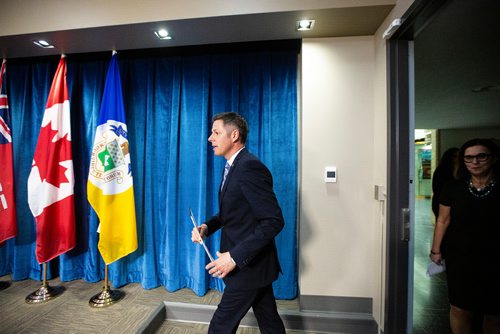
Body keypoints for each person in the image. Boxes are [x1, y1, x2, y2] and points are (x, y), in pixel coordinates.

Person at [191, 112, 286, 334]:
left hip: (248, 268)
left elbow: (273, 221)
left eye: (216, 132)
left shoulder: (249, 167)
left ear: (234, 135)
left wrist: (234, 257)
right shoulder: (233, 166)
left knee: (219, 328)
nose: (210, 138)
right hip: (256, 266)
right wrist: (207, 227)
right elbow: (231, 213)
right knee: (269, 320)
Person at [430, 138, 500, 334]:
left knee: (494, 312)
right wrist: (436, 250)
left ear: (493, 158)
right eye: (469, 158)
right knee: (459, 308)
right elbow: (443, 220)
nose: (474, 162)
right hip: (460, 256)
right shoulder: (453, 188)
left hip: (495, 258)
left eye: (481, 156)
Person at [431, 147, 459, 218]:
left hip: (453, 203)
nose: (458, 159)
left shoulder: (461, 170)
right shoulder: (441, 170)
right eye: (455, 156)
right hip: (441, 202)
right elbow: (437, 189)